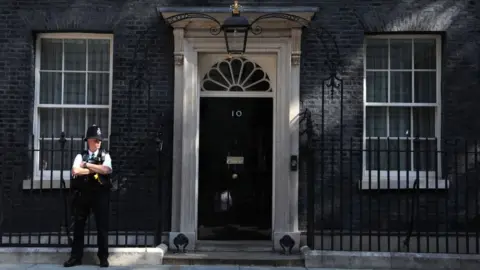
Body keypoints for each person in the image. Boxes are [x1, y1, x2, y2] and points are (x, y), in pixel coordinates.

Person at [63, 124, 113, 268]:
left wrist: (87, 165)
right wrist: (94, 168)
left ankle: (103, 257)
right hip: (83, 194)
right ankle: (75, 257)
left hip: (100, 194)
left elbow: (106, 169)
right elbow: (75, 171)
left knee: (102, 226)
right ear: (88, 140)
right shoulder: (80, 155)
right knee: (78, 226)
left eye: (100, 140)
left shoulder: (105, 155)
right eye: (95, 140)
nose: (98, 142)